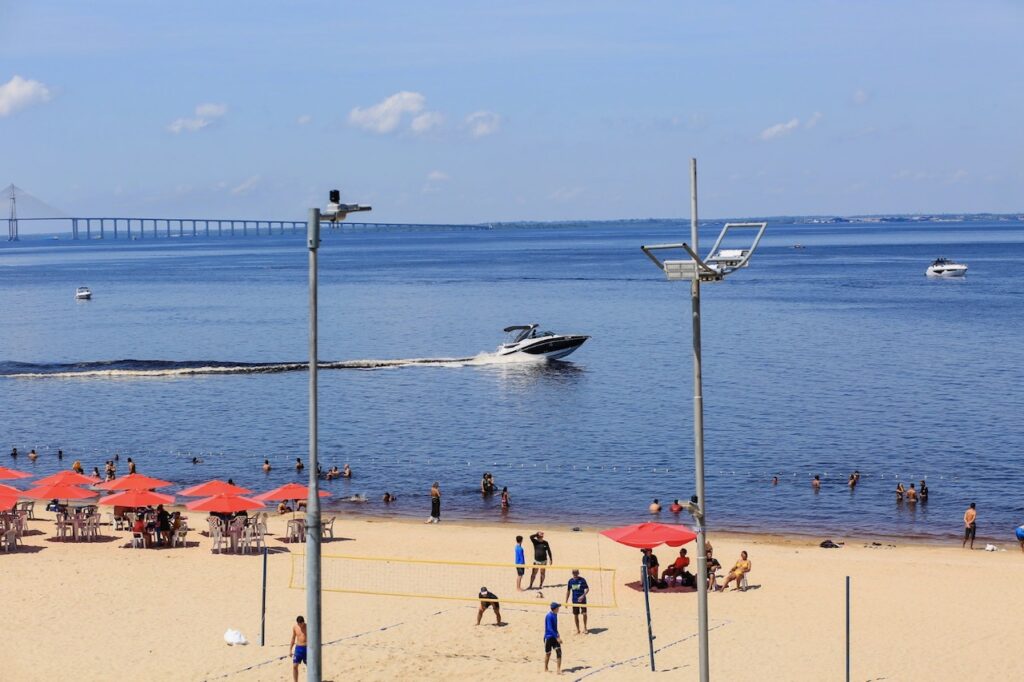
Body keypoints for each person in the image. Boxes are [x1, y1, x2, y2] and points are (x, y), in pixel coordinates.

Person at [565, 569, 589, 634]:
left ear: (578, 573)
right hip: (575, 600)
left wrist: (583, 596)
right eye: (573, 572)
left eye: (576, 572)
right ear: (572, 573)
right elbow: (568, 591)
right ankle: (578, 629)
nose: (575, 573)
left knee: (584, 614)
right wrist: (566, 601)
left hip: (582, 600)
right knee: (576, 615)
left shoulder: (582, 580)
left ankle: (585, 628)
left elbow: (587, 589)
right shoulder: (570, 581)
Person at [543, 602, 562, 675]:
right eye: (558, 607)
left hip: (554, 636)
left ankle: (558, 670)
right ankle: (546, 668)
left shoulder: (555, 614)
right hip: (548, 637)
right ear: (555, 609)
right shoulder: (549, 616)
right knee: (548, 653)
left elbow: (555, 627)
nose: (559, 609)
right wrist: (557, 637)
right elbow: (550, 629)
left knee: (559, 652)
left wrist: (558, 635)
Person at [289, 615, 307, 682]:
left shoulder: (308, 627)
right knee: (294, 666)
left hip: (307, 648)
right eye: (299, 624)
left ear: (303, 622)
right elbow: (293, 638)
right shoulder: (295, 627)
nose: (300, 626)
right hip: (298, 648)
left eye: (301, 624)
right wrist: (290, 649)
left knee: (310, 666)